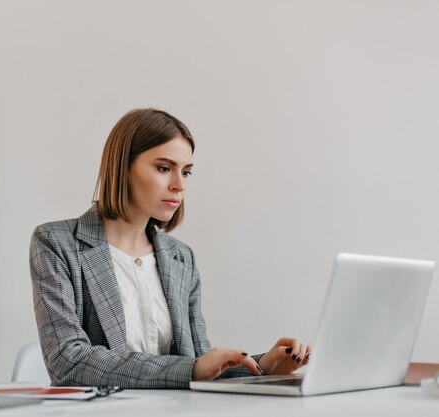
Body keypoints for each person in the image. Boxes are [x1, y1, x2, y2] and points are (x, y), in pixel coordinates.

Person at [29, 108, 311, 388]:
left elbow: (201, 364)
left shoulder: (181, 258)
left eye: (186, 172)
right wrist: (192, 368)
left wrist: (264, 366)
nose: (179, 185)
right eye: (164, 168)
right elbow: (68, 361)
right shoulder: (57, 242)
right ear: (122, 167)